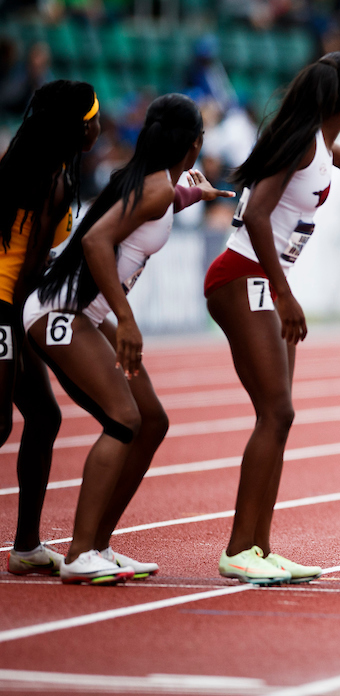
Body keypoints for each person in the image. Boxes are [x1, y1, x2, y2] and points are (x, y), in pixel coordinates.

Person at [24, 95, 231, 583]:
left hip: (83, 312)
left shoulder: (151, 181)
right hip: (62, 310)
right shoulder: (154, 187)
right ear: (196, 143)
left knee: (152, 421)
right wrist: (127, 319)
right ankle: (78, 554)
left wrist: (194, 195)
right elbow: (97, 241)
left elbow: (157, 202)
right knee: (123, 419)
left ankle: (100, 545)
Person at [204, 52, 340, 584]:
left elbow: (339, 158)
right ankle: (239, 548)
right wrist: (283, 291)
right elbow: (257, 214)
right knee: (275, 413)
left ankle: (259, 545)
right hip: (244, 277)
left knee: (279, 417)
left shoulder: (321, 143)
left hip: (263, 282)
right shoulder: (301, 141)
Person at [1, 80, 99, 576]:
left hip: (8, 302)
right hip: (1, 305)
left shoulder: (36, 166)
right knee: (1, 423)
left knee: (43, 416)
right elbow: (28, 268)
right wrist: (18, 339)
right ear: (81, 128)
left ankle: (25, 547)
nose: (100, 128)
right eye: (95, 120)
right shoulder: (54, 183)